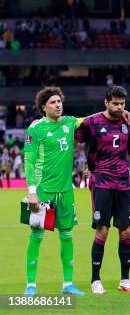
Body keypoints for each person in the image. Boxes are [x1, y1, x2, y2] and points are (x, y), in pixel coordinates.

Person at [23, 86, 85, 296]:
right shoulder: (36, 129)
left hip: (66, 192)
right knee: (37, 236)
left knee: (67, 236)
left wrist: (119, 112)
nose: (58, 105)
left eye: (59, 102)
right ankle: (31, 284)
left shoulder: (69, 122)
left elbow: (93, 119)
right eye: (53, 102)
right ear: (43, 106)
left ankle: (68, 284)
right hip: (43, 192)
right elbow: (29, 161)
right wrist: (32, 192)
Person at [76, 85, 130, 294]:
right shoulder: (92, 122)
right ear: (106, 102)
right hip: (101, 181)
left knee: (126, 231)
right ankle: (95, 280)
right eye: (115, 103)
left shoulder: (127, 123)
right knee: (103, 230)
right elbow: (72, 136)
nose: (120, 107)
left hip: (123, 182)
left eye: (122, 104)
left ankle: (125, 280)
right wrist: (85, 167)